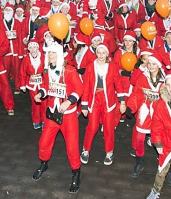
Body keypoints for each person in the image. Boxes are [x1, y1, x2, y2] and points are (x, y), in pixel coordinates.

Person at [32, 42, 83, 194]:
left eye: (53, 53)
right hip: (52, 114)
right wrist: (40, 93)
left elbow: (80, 88)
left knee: (72, 147)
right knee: (43, 142)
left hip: (68, 116)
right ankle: (44, 163)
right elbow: (46, 86)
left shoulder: (69, 70)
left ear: (59, 55)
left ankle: (76, 173)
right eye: (49, 54)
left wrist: (69, 101)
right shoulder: (47, 70)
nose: (50, 56)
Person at [80, 44, 127, 166]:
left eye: (103, 53)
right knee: (93, 126)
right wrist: (84, 105)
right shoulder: (91, 67)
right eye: (99, 52)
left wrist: (122, 102)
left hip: (108, 101)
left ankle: (109, 151)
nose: (101, 55)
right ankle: (86, 149)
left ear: (107, 54)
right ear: (96, 53)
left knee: (108, 127)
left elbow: (118, 84)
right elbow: (86, 87)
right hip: (94, 100)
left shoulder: (112, 67)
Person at [127, 52, 165, 178]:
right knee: (139, 137)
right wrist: (131, 107)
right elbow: (137, 92)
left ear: (159, 65)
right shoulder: (143, 77)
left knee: (162, 139)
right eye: (149, 63)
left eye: (154, 64)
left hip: (160, 112)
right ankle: (139, 161)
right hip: (145, 110)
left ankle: (165, 164)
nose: (151, 66)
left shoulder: (165, 80)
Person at [20, 41, 46, 129]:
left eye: (34, 47)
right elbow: (22, 72)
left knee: (44, 103)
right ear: (28, 49)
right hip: (32, 84)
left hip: (42, 83)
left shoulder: (43, 57)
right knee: (35, 103)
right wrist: (22, 85)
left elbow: (46, 70)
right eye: (30, 48)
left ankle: (44, 120)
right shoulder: (26, 59)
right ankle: (36, 120)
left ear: (38, 48)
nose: (33, 50)